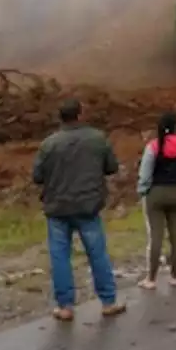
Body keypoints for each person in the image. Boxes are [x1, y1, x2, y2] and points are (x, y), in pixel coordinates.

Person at [31, 98, 127, 321]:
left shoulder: (48, 144)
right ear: (80, 114)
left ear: (60, 118)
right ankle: (108, 302)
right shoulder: (97, 138)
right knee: (97, 254)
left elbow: (37, 176)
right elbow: (111, 167)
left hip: (57, 208)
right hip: (88, 206)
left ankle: (65, 307)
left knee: (60, 257)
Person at [137, 111, 176, 290]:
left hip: (157, 193)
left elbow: (145, 174)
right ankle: (175, 276)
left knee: (156, 236)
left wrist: (142, 191)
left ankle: (151, 279)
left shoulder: (154, 147)